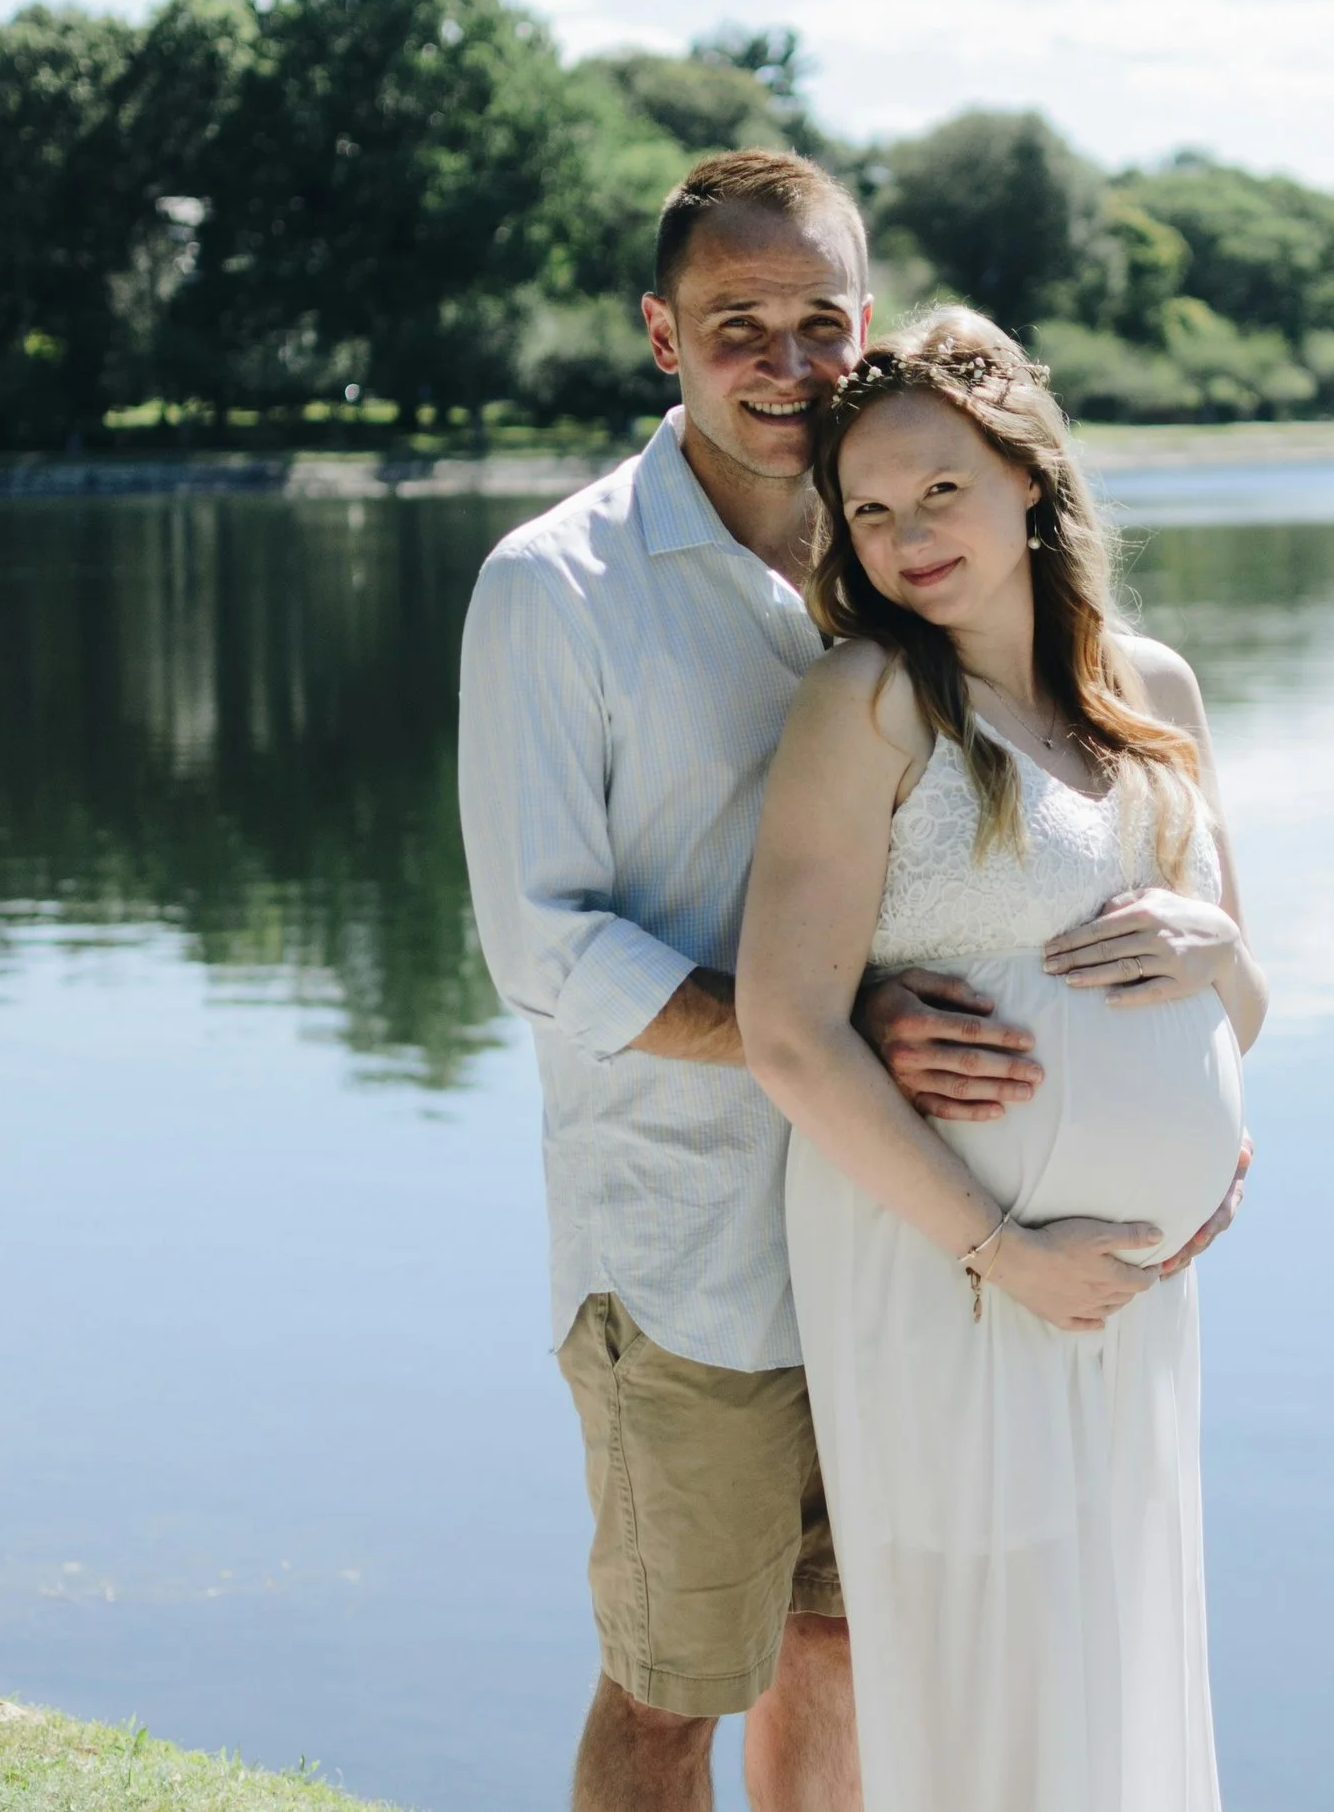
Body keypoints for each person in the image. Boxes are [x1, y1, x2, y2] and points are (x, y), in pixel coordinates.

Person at [458, 152, 1248, 1812]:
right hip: (697, 1248)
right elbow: (545, 944)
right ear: (662, 338)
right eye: (736, 321)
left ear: (867, 323)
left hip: (918, 1246)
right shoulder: (560, 586)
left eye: (820, 318)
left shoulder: (898, 543)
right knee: (677, 1678)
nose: (787, 357)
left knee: (858, 1652)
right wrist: (811, 1030)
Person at [737, 307, 1270, 1812]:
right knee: (982, 1652)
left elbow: (1248, 1005)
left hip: (1132, 1291)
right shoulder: (867, 704)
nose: (908, 534)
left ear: (1029, 480)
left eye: (942, 490)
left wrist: (1212, 953)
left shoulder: (1153, 693)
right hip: (948, 1264)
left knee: (1110, 1631)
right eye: (872, 509)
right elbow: (786, 1026)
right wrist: (1003, 1246)